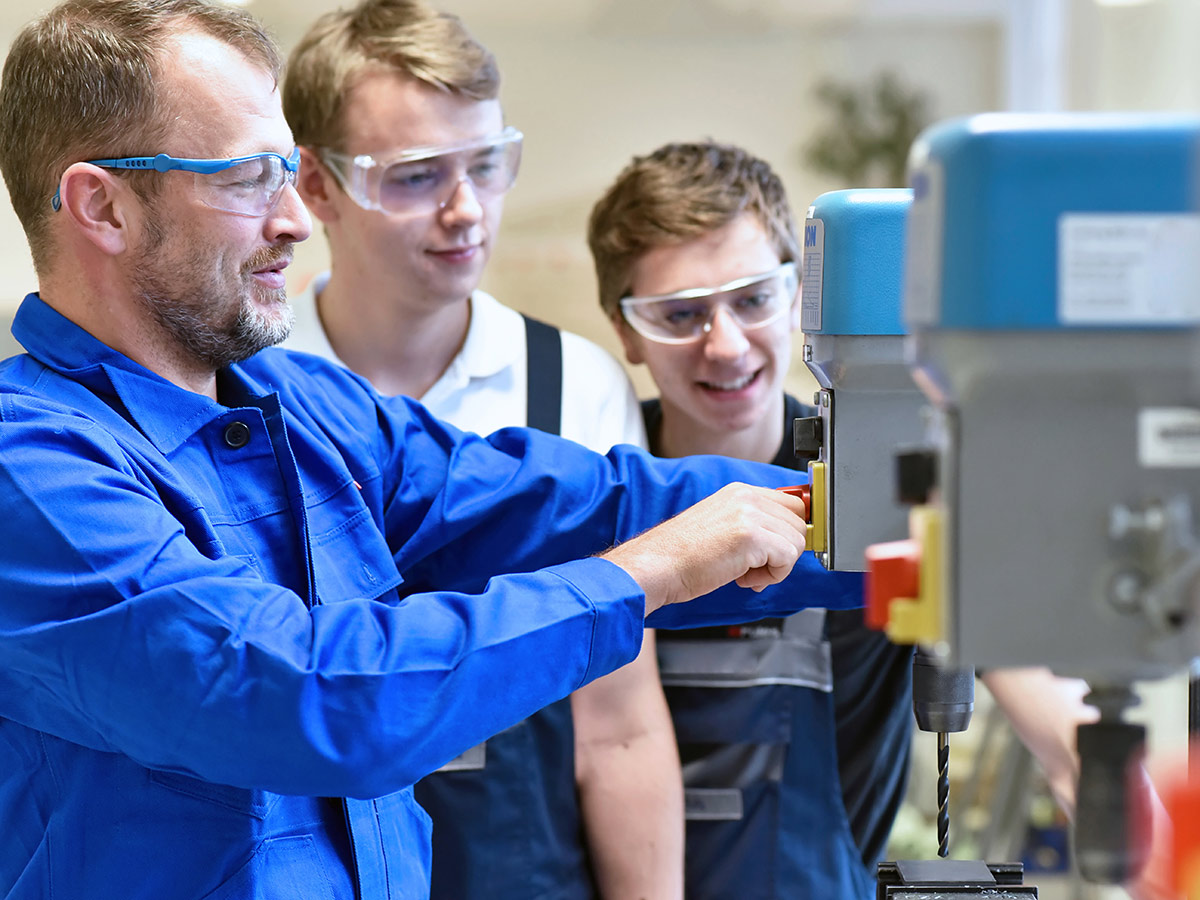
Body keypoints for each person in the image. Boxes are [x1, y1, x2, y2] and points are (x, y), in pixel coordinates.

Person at [0, 5, 865, 899]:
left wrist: (920, 524)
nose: (296, 220)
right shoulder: (31, 467)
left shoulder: (306, 407)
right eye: (251, 178)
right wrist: (650, 571)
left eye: (288, 173)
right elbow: (310, 698)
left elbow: (581, 505)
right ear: (100, 204)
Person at [587, 140, 1177, 900]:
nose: (726, 343)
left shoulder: (885, 480)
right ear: (627, 331)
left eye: (752, 298)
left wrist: (1153, 844)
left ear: (803, 296)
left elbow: (1053, 717)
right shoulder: (588, 500)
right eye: (681, 314)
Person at [279, 3, 681, 896]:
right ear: (314, 187)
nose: (466, 211)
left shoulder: (570, 385)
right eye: (419, 176)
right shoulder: (248, 393)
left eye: (487, 165)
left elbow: (617, 725)